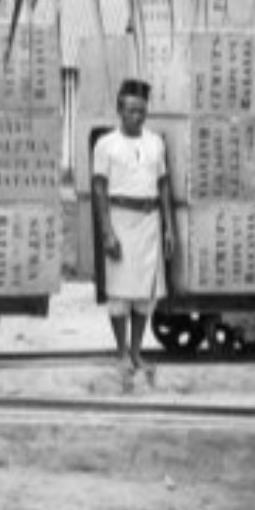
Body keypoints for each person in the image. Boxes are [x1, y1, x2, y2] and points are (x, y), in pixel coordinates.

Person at [91, 78, 173, 388]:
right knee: (120, 296)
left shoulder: (155, 143)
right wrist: (107, 231)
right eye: (131, 111)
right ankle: (121, 352)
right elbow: (99, 189)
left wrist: (169, 228)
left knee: (144, 296)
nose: (136, 117)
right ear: (119, 110)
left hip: (150, 222)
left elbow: (163, 184)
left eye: (142, 112)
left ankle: (137, 352)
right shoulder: (106, 145)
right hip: (121, 220)